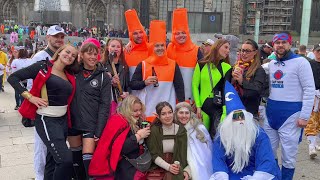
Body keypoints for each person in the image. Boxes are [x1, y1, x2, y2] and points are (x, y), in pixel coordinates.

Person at [8, 44, 79, 180]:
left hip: (62, 120)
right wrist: (30, 97)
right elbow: (13, 78)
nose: (69, 56)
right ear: (59, 52)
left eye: (73, 55)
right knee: (65, 160)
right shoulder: (43, 66)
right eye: (67, 52)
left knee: (53, 160)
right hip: (47, 119)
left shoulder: (69, 73)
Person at [263, 32, 315, 179]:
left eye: (283, 42)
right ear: (273, 45)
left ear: (290, 44)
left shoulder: (301, 62)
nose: (280, 45)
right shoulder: (271, 64)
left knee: (288, 156)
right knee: (269, 151)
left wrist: (305, 116)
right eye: (277, 42)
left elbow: (309, 89)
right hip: (271, 114)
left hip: (291, 115)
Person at [210, 81, 281, 180]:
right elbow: (218, 162)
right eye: (236, 117)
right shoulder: (221, 137)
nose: (240, 121)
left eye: (242, 117)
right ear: (229, 122)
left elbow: (266, 161)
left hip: (255, 174)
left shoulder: (259, 135)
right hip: (231, 176)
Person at [24, 24, 67, 180]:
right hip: (43, 111)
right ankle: (39, 176)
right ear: (48, 37)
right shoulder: (40, 57)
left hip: (59, 111)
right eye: (56, 36)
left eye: (61, 36)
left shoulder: (64, 56)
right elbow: (30, 85)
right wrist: (34, 101)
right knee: (41, 148)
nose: (59, 39)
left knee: (54, 148)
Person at [68, 42, 111, 179]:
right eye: (89, 53)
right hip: (74, 122)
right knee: (76, 159)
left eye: (95, 54)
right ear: (81, 55)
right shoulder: (73, 71)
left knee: (88, 160)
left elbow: (105, 105)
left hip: (91, 124)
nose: (93, 57)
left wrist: (99, 129)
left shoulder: (103, 76)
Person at [130, 20, 185, 122]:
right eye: (156, 46)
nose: (160, 48)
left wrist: (181, 107)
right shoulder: (143, 64)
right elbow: (132, 84)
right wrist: (145, 82)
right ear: (152, 47)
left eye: (162, 45)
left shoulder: (173, 64)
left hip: (168, 114)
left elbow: (179, 88)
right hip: (147, 113)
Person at [89, 95, 151, 179]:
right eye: (135, 110)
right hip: (121, 167)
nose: (139, 113)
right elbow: (120, 148)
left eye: (140, 110)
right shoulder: (118, 121)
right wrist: (138, 136)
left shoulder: (135, 120)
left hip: (130, 164)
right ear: (127, 109)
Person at [192, 39, 232, 138]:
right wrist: (198, 106)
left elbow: (225, 90)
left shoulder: (227, 67)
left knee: (216, 138)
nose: (228, 51)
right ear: (217, 47)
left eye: (229, 49)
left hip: (218, 108)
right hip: (202, 108)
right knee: (202, 139)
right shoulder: (201, 64)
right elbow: (195, 85)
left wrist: (224, 111)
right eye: (226, 47)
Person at [167, 8, 203, 103]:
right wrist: (131, 43)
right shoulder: (168, 48)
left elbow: (203, 76)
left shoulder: (196, 50)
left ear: (188, 33)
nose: (180, 36)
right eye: (177, 33)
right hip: (170, 97)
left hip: (190, 99)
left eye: (183, 33)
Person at [147, 101, 190, 180]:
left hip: (176, 166)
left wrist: (184, 170)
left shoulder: (180, 130)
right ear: (158, 116)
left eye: (170, 112)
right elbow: (153, 154)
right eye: (163, 114)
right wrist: (168, 167)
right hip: (158, 166)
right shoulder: (154, 130)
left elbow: (183, 154)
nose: (168, 116)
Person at [174, 102, 213, 180]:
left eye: (187, 113)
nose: (184, 116)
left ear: (191, 114)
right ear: (176, 114)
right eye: (181, 113)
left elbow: (204, 156)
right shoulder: (173, 129)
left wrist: (189, 171)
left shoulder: (199, 129)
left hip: (199, 172)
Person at [232, 39, 266, 118]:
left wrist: (242, 81)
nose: (244, 54)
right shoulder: (236, 66)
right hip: (234, 109)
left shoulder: (259, 70)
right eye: (242, 50)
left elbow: (257, 90)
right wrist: (232, 80)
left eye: (247, 51)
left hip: (249, 112)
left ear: (255, 52)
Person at [102, 38, 130, 112]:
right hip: (106, 102)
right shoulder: (101, 65)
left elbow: (128, 85)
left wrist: (127, 93)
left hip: (121, 102)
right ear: (108, 47)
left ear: (121, 49)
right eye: (113, 46)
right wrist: (110, 81)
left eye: (118, 47)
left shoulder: (125, 66)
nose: (116, 49)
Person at [124, 9, 149, 80]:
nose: (139, 35)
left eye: (140, 32)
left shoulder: (151, 49)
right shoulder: (127, 51)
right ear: (131, 36)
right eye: (135, 33)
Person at [305, 43, 320, 158]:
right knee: (311, 121)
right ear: (314, 52)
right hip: (313, 95)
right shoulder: (309, 64)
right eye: (318, 51)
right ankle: (311, 147)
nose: (319, 53)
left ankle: (316, 142)